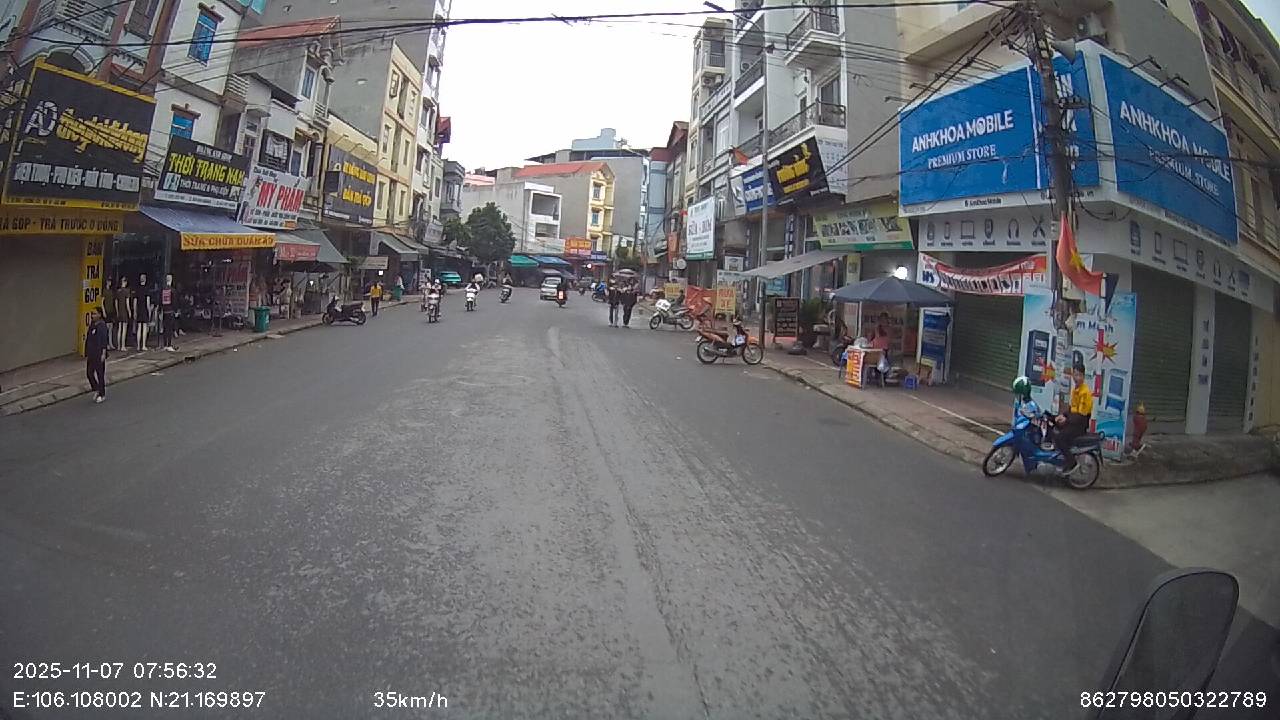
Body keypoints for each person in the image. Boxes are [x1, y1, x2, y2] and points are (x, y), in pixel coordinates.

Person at [1054, 365, 1093, 474]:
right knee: (1052, 424)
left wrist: (1066, 420)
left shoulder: (1085, 393)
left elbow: (1081, 416)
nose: (1077, 378)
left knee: (1060, 438)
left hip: (1079, 425)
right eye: (1075, 375)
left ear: (1083, 376)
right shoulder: (1075, 390)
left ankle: (1072, 462)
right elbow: (1072, 409)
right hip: (1073, 421)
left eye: (1079, 375)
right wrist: (1063, 415)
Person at [85, 307, 110, 403]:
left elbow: (104, 340)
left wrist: (103, 353)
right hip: (91, 353)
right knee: (89, 373)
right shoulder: (92, 325)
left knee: (100, 374)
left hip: (99, 353)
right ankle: (96, 388)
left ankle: (102, 394)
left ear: (99, 314)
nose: (93, 316)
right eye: (92, 314)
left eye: (95, 314)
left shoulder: (102, 325)